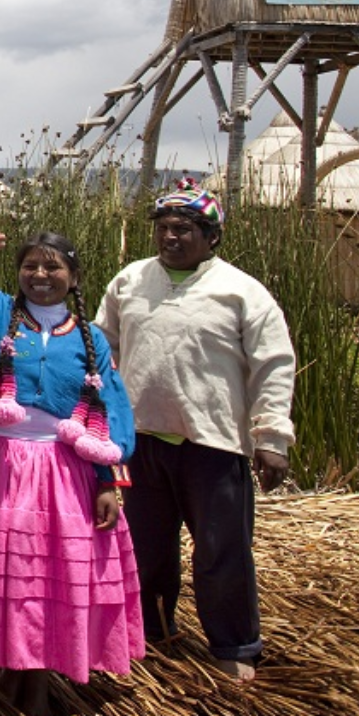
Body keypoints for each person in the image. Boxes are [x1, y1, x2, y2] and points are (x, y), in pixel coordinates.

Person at [0, 227, 143, 716]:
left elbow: (113, 410)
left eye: (53, 267)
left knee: (43, 574)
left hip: (60, 471)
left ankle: (36, 681)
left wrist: (108, 481)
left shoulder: (90, 338)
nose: (40, 276)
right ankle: (13, 668)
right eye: (30, 267)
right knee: (5, 569)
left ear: (74, 277)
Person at [96, 179, 296, 681]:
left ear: (211, 236)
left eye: (183, 229)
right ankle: (154, 632)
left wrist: (271, 437)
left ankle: (234, 645)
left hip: (213, 442)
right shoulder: (131, 281)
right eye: (163, 228)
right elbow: (102, 346)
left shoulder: (240, 291)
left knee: (221, 550)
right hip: (141, 441)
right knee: (146, 548)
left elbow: (273, 365)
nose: (170, 238)